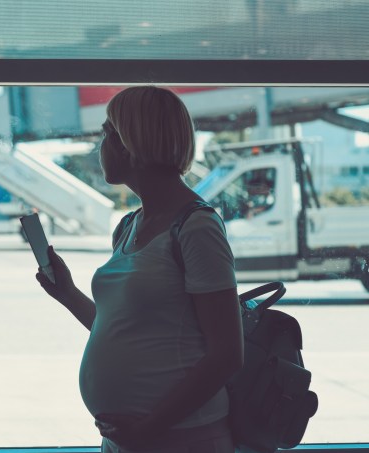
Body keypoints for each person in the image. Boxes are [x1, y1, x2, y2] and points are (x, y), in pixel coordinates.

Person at [35, 86, 244, 453]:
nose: (99, 146)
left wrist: (150, 427)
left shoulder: (196, 228)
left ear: (131, 144)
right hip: (130, 439)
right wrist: (67, 294)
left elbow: (226, 354)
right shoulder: (129, 225)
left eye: (106, 134)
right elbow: (124, 327)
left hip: (183, 439)